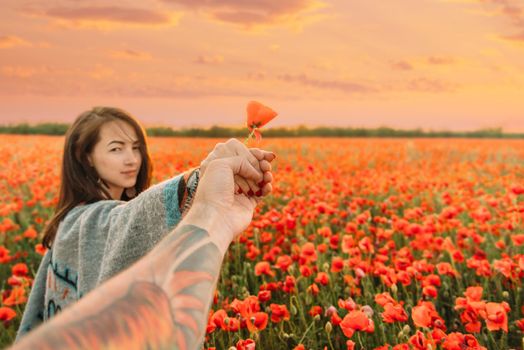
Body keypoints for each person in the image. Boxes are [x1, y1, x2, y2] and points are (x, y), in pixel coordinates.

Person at [16, 106, 275, 341]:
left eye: (136, 147)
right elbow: (125, 221)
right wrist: (200, 177)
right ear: (85, 157)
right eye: (116, 149)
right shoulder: (85, 221)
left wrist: (215, 212)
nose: (131, 159)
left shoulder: (71, 220)